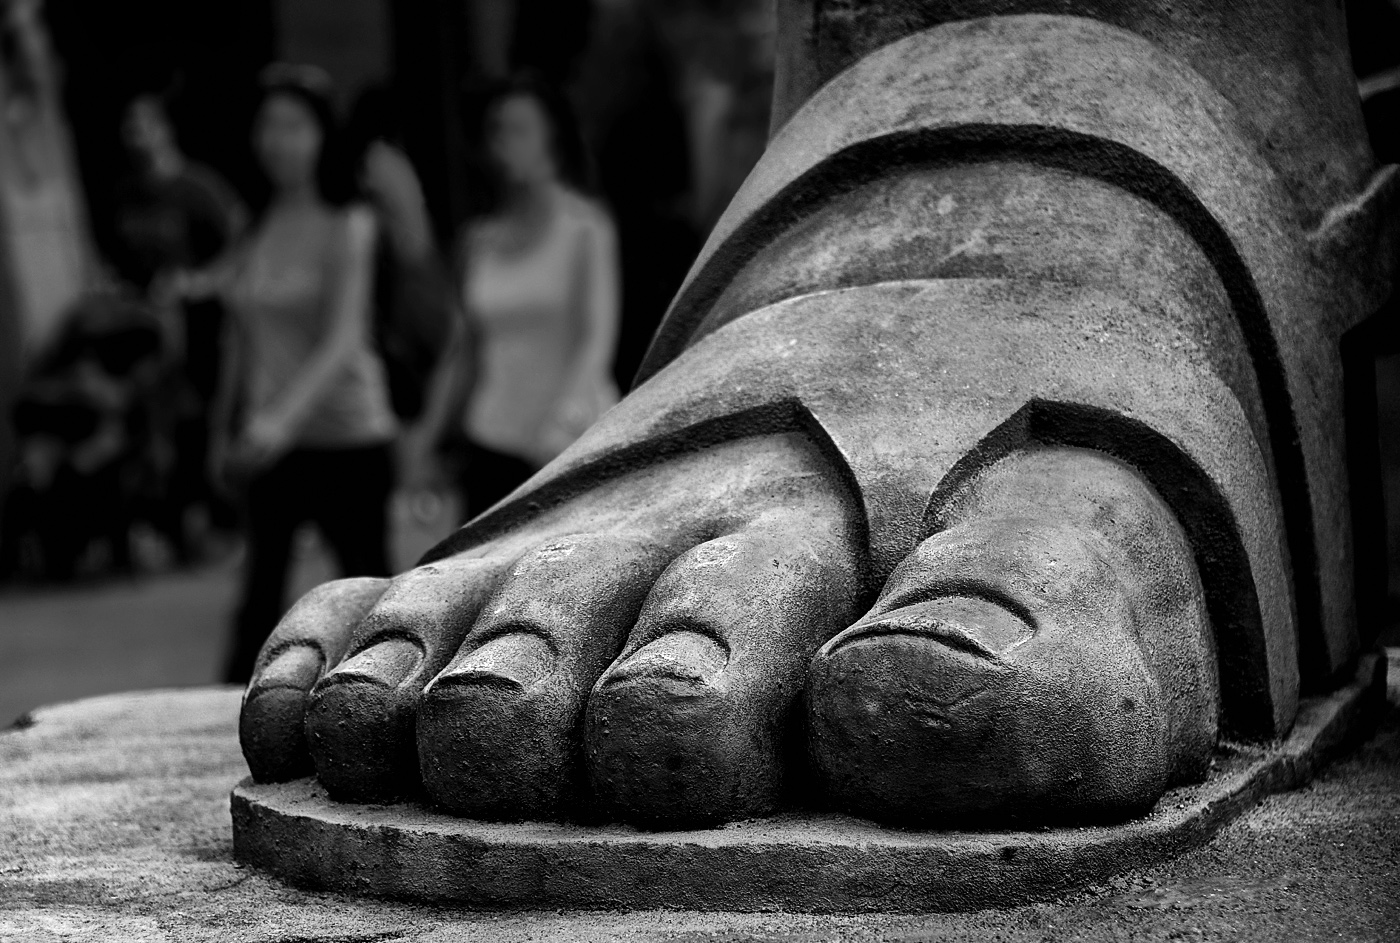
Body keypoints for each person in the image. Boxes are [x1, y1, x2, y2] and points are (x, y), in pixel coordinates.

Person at [185, 65, 398, 683]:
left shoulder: (350, 220)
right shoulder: (252, 223)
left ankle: (378, 712)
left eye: (295, 125)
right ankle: (222, 720)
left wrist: (280, 420)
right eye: (269, 125)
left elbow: (344, 338)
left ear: (323, 135)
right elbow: (238, 338)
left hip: (349, 436)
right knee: (258, 599)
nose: (279, 140)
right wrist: (223, 426)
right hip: (270, 443)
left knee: (367, 597)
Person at [405, 74, 621, 520]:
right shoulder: (478, 239)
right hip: (492, 440)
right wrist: (426, 434)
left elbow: (596, 339)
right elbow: (463, 349)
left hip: (568, 441)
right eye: (498, 130)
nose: (507, 143)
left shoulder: (585, 227)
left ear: (553, 138)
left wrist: (562, 421)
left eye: (521, 129)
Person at [112, 92, 246, 558]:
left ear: (166, 129)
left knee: (199, 424)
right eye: (129, 126)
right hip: (152, 330)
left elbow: (242, 248)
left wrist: (197, 282)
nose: (135, 136)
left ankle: (210, 520)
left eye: (144, 125)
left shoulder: (198, 188)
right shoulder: (129, 192)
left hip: (202, 330)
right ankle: (167, 526)